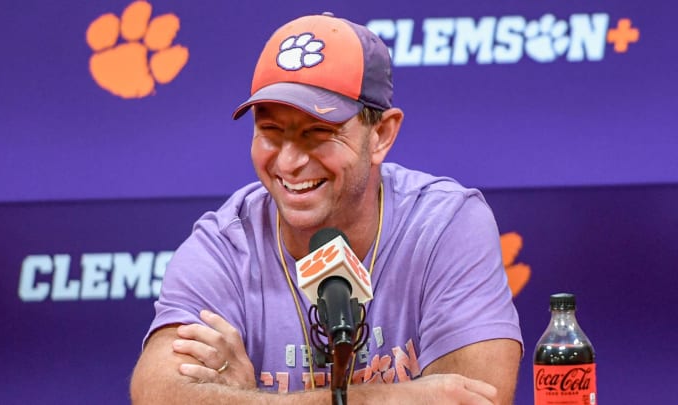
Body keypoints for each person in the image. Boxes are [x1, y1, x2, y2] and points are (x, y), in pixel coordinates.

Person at [130, 12, 522, 404]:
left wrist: (247, 398)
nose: (287, 163)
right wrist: (384, 399)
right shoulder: (224, 246)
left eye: (317, 132)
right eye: (270, 132)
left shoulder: (444, 224)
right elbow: (157, 393)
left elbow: (476, 398)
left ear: (382, 135)